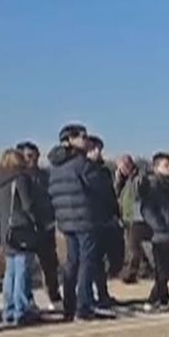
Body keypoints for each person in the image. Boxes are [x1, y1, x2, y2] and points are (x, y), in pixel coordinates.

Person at [48, 123, 115, 320]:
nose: (86, 140)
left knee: (72, 261)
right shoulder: (82, 164)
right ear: (70, 140)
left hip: (66, 221)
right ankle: (83, 305)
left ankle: (70, 305)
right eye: (82, 136)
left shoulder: (55, 167)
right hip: (85, 219)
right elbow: (100, 187)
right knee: (87, 261)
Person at [0, 149, 45, 326]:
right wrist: (38, 221)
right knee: (23, 270)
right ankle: (21, 309)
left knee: (10, 272)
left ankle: (8, 310)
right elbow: (27, 204)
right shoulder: (20, 179)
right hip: (22, 229)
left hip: (6, 231)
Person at [16, 142, 61, 311]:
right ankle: (27, 299)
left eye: (36, 156)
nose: (33, 160)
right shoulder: (20, 177)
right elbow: (26, 204)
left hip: (46, 226)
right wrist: (34, 220)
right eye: (29, 156)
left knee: (50, 265)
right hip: (28, 228)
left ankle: (54, 296)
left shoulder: (44, 175)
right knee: (25, 267)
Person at [138, 153, 169, 312]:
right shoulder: (152, 185)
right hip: (159, 235)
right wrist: (159, 226)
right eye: (166, 165)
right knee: (166, 268)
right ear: (156, 167)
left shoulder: (168, 185)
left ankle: (164, 299)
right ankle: (152, 299)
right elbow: (147, 209)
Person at [84, 136, 122, 309]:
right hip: (91, 221)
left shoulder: (104, 171)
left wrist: (115, 213)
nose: (98, 152)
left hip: (107, 221)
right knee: (92, 261)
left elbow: (111, 195)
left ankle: (103, 293)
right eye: (94, 149)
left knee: (104, 260)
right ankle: (89, 296)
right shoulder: (84, 171)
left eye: (99, 148)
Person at [114, 154, 154, 283]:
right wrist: (118, 179)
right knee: (134, 245)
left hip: (138, 216)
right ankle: (145, 267)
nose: (123, 169)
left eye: (125, 166)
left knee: (133, 246)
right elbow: (116, 194)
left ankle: (131, 273)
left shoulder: (139, 177)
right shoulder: (123, 181)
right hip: (127, 216)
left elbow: (140, 190)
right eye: (121, 168)